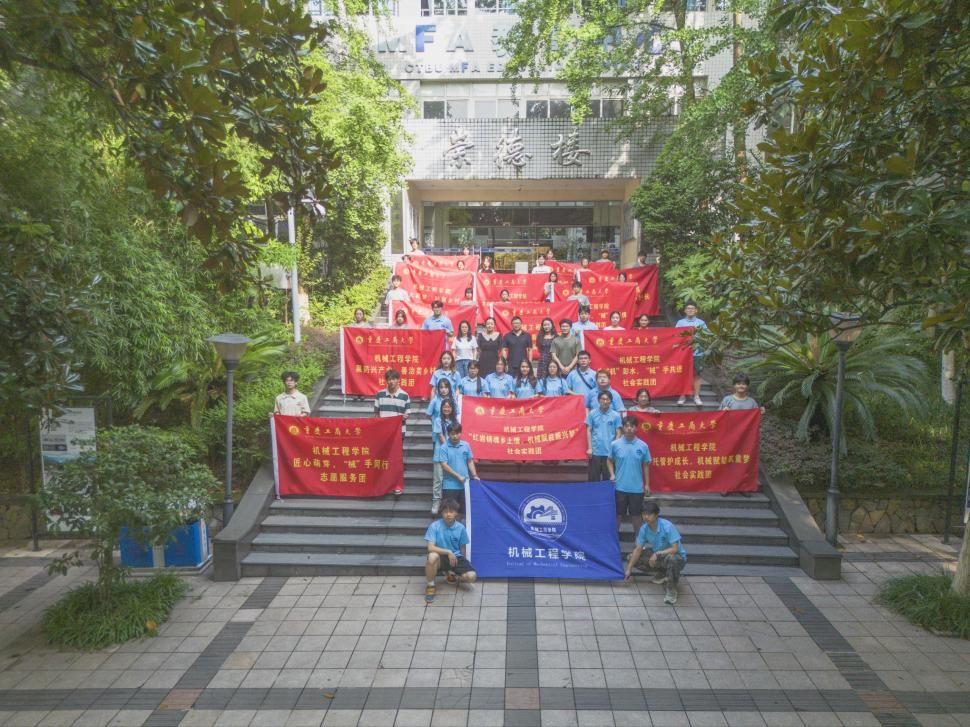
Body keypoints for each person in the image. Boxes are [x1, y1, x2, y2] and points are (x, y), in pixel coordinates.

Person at [624, 501, 686, 605]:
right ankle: (662, 574)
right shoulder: (644, 529)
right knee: (631, 557)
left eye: (649, 514)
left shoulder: (667, 526)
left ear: (656, 515)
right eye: (644, 514)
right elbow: (638, 549)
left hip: (677, 557)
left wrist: (657, 554)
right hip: (659, 555)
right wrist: (629, 569)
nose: (646, 517)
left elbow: (675, 549)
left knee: (672, 559)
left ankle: (671, 591)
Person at [424, 497, 475, 603]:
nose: (448, 514)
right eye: (445, 512)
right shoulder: (434, 526)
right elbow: (430, 547)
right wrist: (448, 552)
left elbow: (462, 548)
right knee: (432, 556)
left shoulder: (461, 528)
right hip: (440, 556)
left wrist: (461, 564)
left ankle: (451, 573)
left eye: (451, 511)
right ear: (441, 513)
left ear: (456, 513)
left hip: (456, 557)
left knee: (471, 577)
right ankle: (430, 586)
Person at [609, 415, 652, 534]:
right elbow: (609, 460)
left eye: (632, 426)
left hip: (637, 488)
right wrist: (612, 474)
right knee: (617, 515)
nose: (629, 428)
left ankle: (639, 540)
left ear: (636, 428)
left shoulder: (643, 446)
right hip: (619, 487)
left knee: (637, 516)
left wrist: (647, 484)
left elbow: (646, 465)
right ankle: (614, 539)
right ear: (622, 427)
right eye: (626, 426)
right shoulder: (615, 444)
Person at [374, 369, 410, 496]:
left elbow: (407, 414)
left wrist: (402, 417)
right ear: (386, 381)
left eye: (394, 379)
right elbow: (376, 414)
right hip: (383, 433)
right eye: (389, 379)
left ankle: (397, 485)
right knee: (383, 458)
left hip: (398, 433)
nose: (391, 382)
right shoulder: (379, 394)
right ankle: (382, 483)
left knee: (395, 459)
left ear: (398, 380)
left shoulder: (405, 395)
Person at [434, 423, 479, 516]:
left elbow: (470, 461)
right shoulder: (444, 447)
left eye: (457, 433)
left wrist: (474, 475)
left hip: (465, 485)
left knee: (464, 512)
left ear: (460, 433)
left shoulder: (466, 445)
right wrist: (458, 476)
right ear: (448, 434)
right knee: (449, 512)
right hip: (449, 486)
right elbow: (444, 465)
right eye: (452, 434)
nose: (455, 436)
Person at [675, 300, 709, 406]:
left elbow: (707, 336)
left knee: (697, 375)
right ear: (685, 310)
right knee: (682, 375)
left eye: (692, 308)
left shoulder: (701, 323)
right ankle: (682, 395)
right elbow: (675, 337)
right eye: (688, 308)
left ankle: (696, 396)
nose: (690, 310)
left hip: (697, 354)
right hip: (683, 354)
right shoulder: (680, 323)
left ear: (696, 310)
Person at [430, 397, 460, 515]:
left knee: (450, 480)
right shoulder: (438, 420)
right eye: (444, 407)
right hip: (440, 453)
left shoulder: (456, 421)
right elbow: (441, 436)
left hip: (453, 455)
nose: (446, 409)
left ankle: (450, 505)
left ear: (452, 408)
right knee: (438, 480)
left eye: (448, 407)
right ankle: (436, 502)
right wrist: (449, 449)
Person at [586, 390, 622, 481]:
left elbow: (618, 433)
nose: (605, 401)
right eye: (603, 399)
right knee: (593, 480)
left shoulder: (616, 415)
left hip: (609, 452)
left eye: (607, 399)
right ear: (598, 400)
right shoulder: (592, 413)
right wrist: (590, 448)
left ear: (611, 401)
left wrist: (614, 449)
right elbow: (589, 430)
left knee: (608, 480)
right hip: (595, 451)